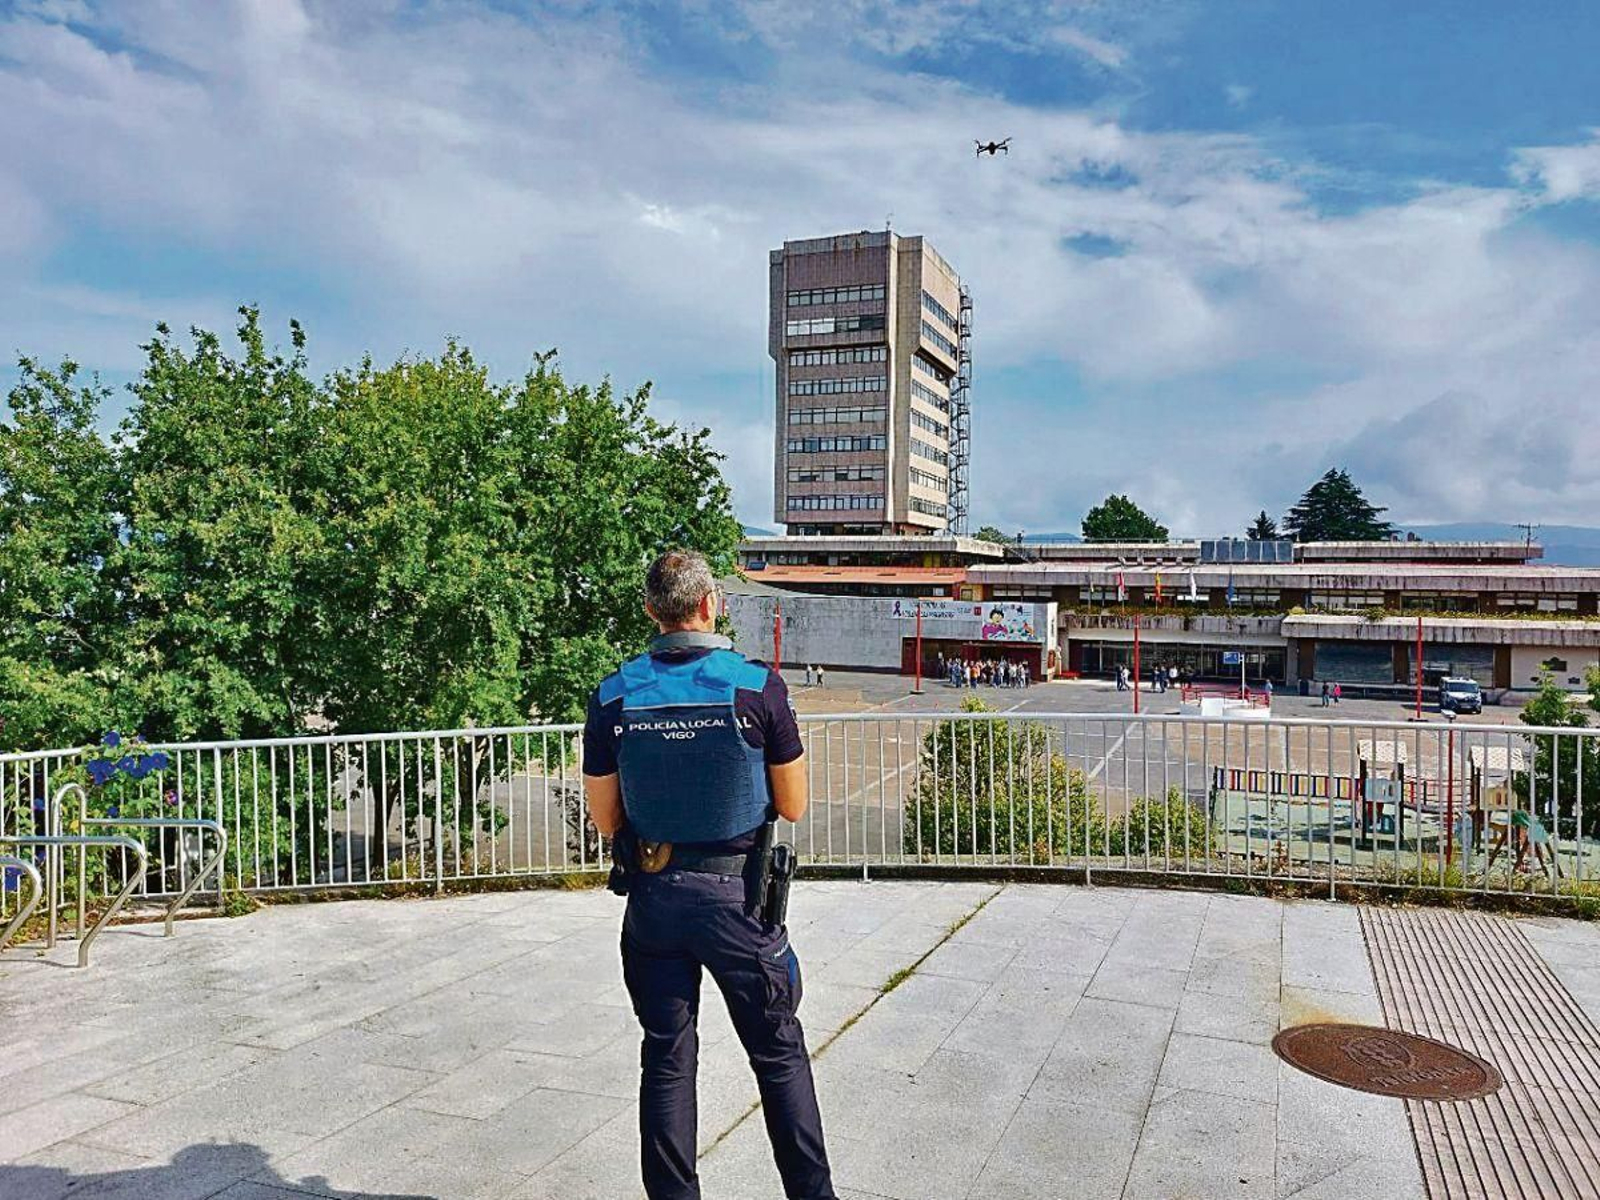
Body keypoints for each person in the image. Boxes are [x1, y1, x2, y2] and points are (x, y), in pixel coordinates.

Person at [583, 550, 836, 1200]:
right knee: (777, 1055)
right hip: (738, 902)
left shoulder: (613, 696)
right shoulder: (755, 687)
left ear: (651, 611)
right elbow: (793, 804)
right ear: (710, 604)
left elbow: (607, 817)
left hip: (654, 901)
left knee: (667, 1059)